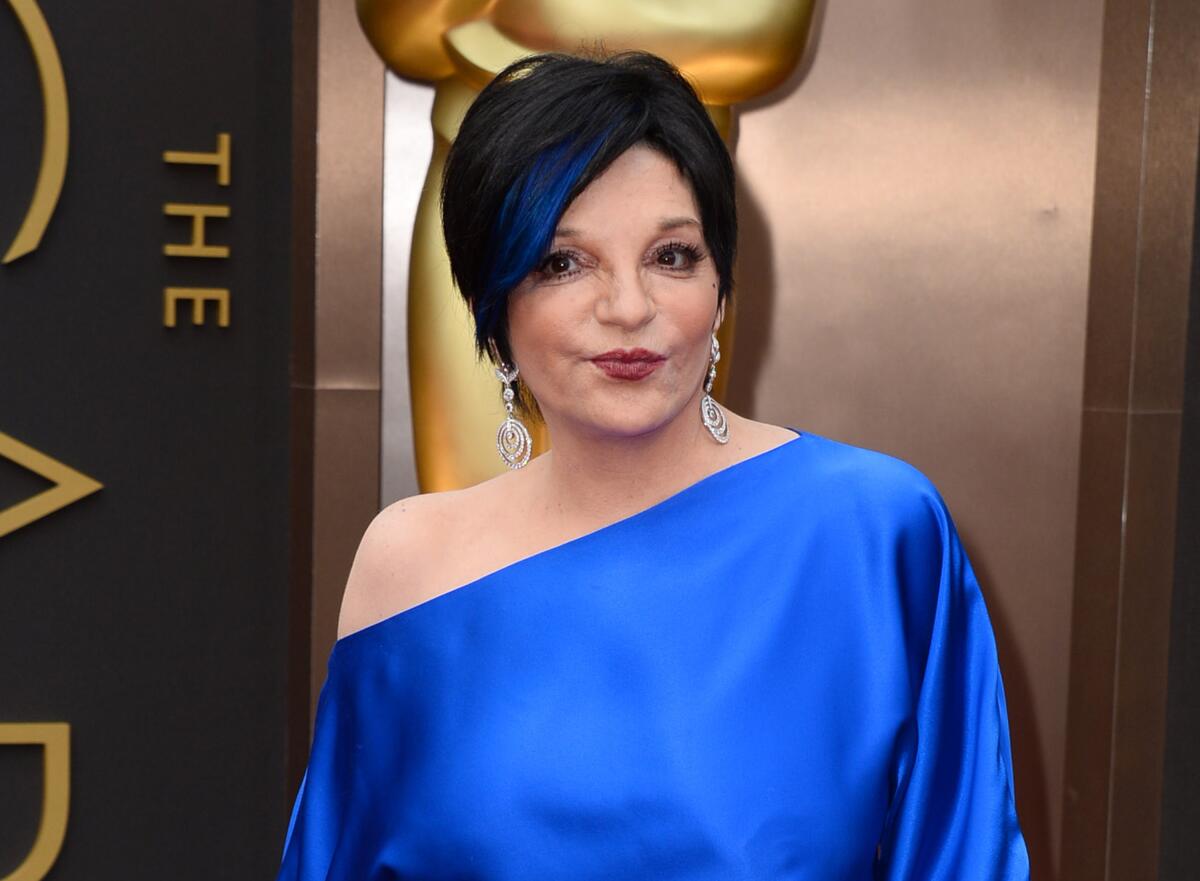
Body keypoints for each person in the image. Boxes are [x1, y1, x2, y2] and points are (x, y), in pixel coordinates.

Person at [276, 51, 1031, 879]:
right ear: (493, 307)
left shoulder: (872, 534)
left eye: (672, 255)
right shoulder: (408, 568)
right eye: (564, 262)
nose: (629, 308)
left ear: (720, 282)